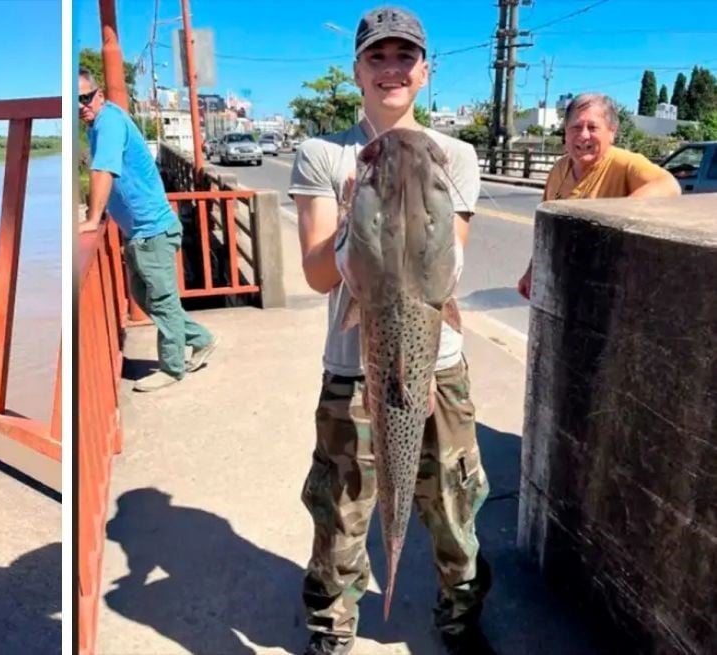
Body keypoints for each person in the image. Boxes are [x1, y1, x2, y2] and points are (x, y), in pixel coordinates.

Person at [287, 7, 493, 655]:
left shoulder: (455, 154)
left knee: (453, 506)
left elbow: (444, 270)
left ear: (424, 72)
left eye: (404, 57)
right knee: (344, 508)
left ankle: (459, 617)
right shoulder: (322, 154)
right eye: (377, 57)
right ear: (357, 71)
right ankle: (333, 628)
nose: (391, 69)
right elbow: (323, 274)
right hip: (355, 365)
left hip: (440, 362)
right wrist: (354, 212)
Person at [78, 68, 218, 392]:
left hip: (152, 230)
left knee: (163, 299)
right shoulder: (97, 126)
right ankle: (201, 339)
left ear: (99, 94)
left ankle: (172, 368)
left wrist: (92, 216)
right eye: (75, 102)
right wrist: (97, 214)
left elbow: (103, 171)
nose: (81, 106)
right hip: (140, 232)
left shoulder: (109, 123)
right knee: (144, 296)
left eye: (85, 98)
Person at [515, 92, 681, 299]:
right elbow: (545, 228)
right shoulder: (559, 168)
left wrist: (618, 214)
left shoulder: (624, 163)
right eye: (575, 127)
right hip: (562, 284)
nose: (583, 135)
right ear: (565, 132)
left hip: (608, 290)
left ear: (611, 132)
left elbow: (668, 185)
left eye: (592, 127)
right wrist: (532, 270)